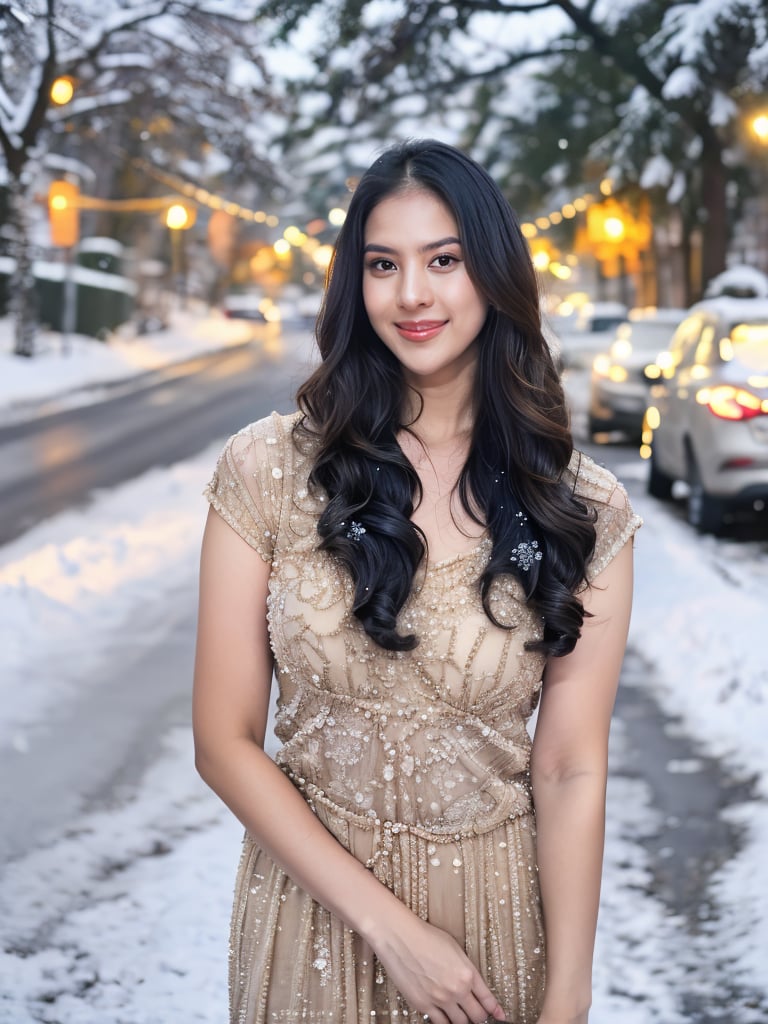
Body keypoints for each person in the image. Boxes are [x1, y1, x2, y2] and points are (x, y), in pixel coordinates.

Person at [193, 138, 641, 1024]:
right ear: (354, 286)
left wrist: (569, 997)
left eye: (445, 260)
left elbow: (569, 766)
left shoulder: (582, 505)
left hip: (495, 937)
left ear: (494, 272)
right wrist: (387, 928)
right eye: (383, 265)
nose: (413, 295)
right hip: (311, 922)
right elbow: (224, 739)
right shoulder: (268, 469)